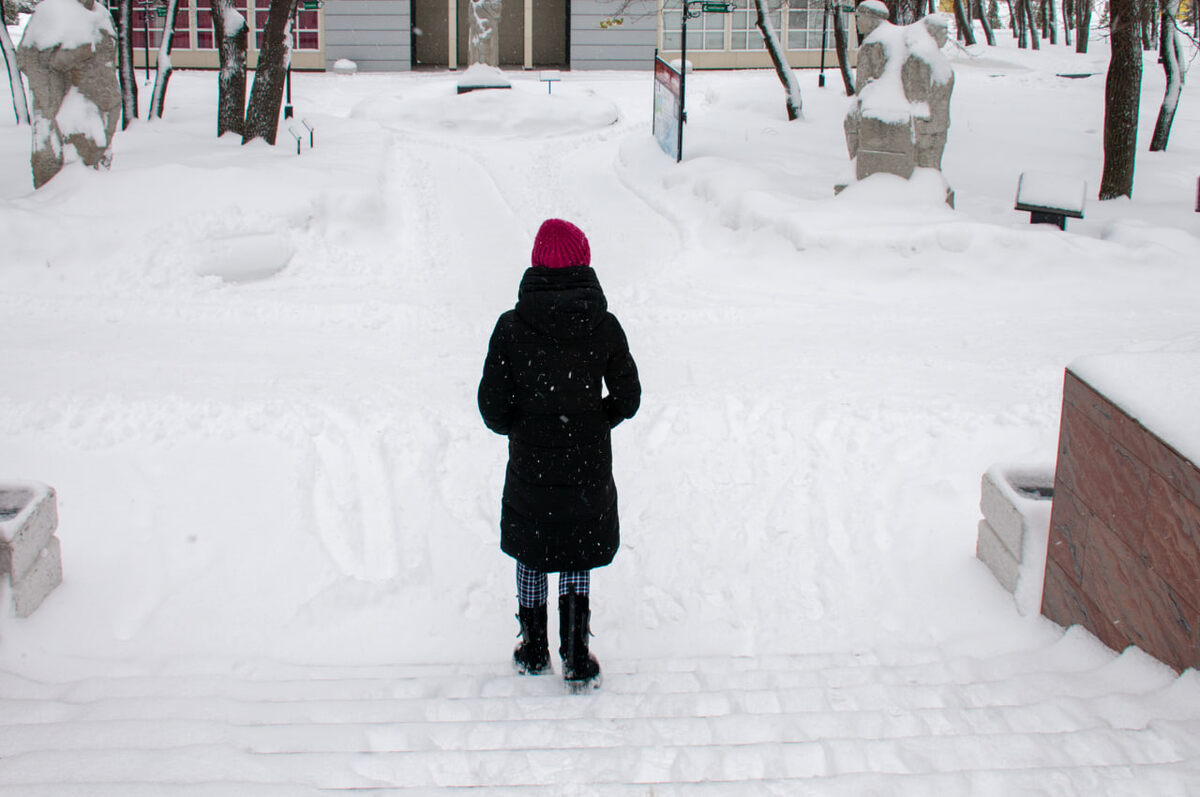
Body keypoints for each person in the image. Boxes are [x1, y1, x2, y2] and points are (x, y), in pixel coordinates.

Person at [478, 218, 641, 691]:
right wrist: (594, 421)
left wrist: (525, 428)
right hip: (586, 464)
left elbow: (492, 407)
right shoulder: (603, 326)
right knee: (576, 551)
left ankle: (532, 651)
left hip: (532, 465)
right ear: (584, 263)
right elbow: (628, 397)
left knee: (532, 550)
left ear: (536, 264)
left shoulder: (511, 328)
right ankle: (575, 654)